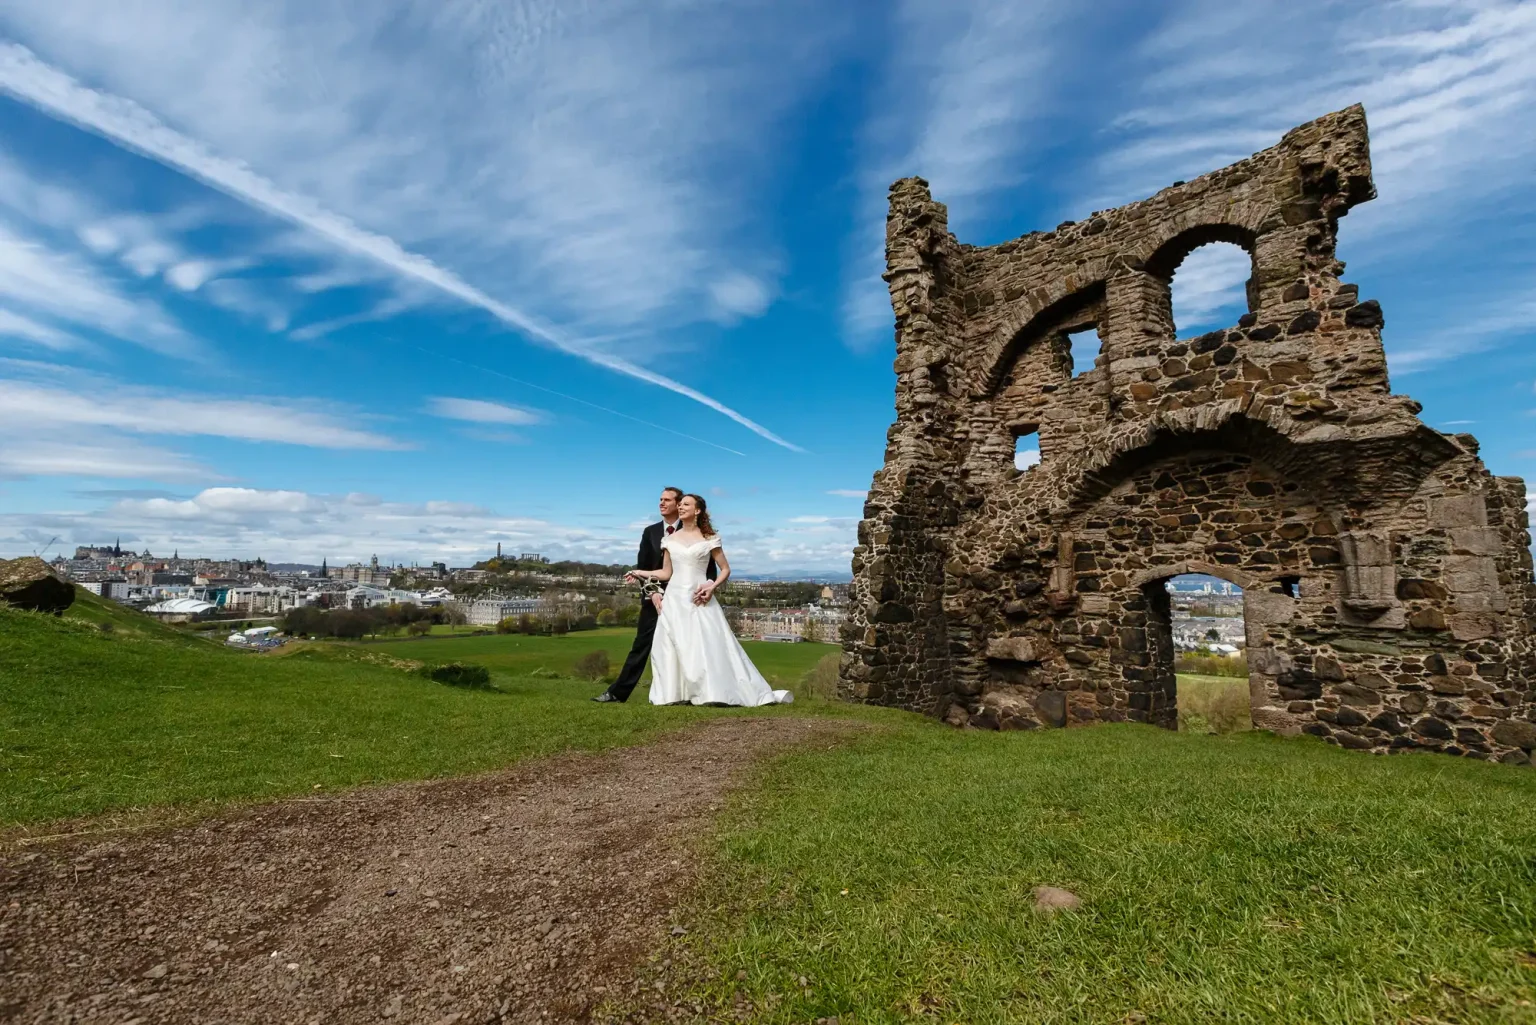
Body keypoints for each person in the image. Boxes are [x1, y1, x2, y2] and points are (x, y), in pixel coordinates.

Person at [627, 493, 792, 706]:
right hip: (675, 598)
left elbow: (725, 569)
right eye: (680, 504)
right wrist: (639, 571)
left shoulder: (709, 538)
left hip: (698, 597)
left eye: (686, 504)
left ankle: (712, 692)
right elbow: (666, 573)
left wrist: (712, 586)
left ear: (697, 510)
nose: (680, 507)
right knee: (671, 646)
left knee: (704, 645)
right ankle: (673, 695)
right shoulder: (668, 540)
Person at [593, 487, 711, 703]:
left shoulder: (699, 534)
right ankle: (617, 693)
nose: (661, 503)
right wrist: (654, 594)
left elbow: (708, 570)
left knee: (691, 645)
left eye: (667, 500)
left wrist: (707, 588)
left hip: (686, 600)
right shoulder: (650, 532)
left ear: (679, 504)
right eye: (660, 499)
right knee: (641, 646)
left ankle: (691, 694)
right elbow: (644, 567)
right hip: (654, 600)